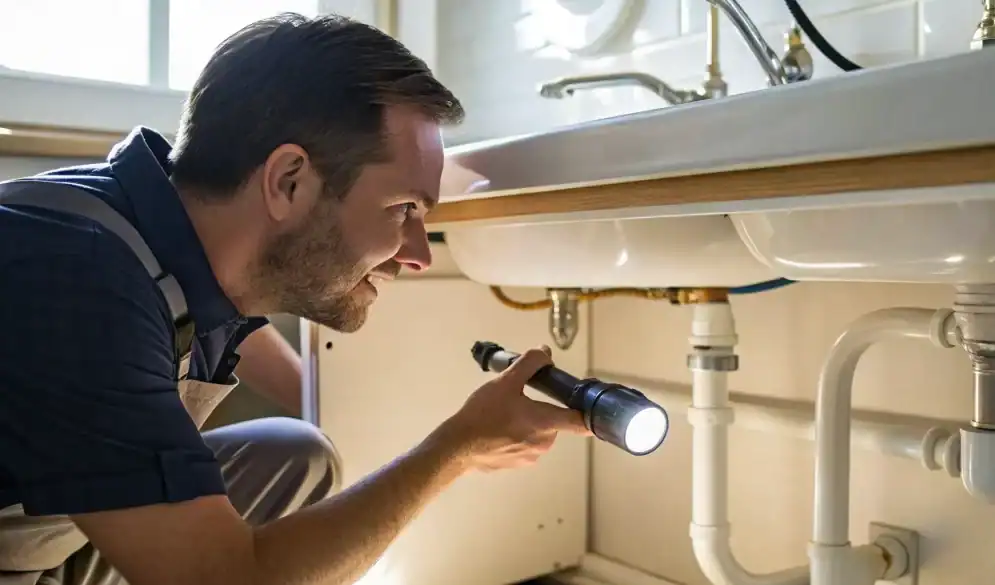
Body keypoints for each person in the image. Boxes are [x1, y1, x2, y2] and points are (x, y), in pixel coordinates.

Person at [0, 12, 589, 585]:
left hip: (47, 539)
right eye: (403, 209)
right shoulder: (84, 284)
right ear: (289, 181)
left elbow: (195, 322)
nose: (419, 255)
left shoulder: (172, 237)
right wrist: (453, 451)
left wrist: (323, 399)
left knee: (296, 454)